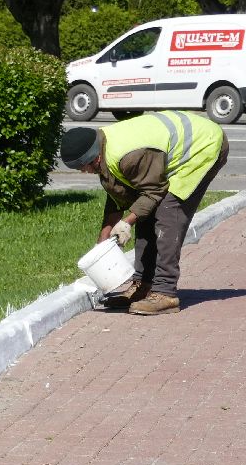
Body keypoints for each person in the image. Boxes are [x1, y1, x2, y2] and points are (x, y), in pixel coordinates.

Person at [59, 111, 229, 316]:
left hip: (203, 146)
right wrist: (103, 240)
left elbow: (154, 191)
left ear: (94, 159)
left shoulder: (128, 156)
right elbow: (118, 196)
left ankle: (166, 293)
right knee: (145, 214)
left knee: (168, 213)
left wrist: (126, 222)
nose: (82, 172)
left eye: (82, 167)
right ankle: (143, 284)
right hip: (167, 155)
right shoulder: (106, 153)